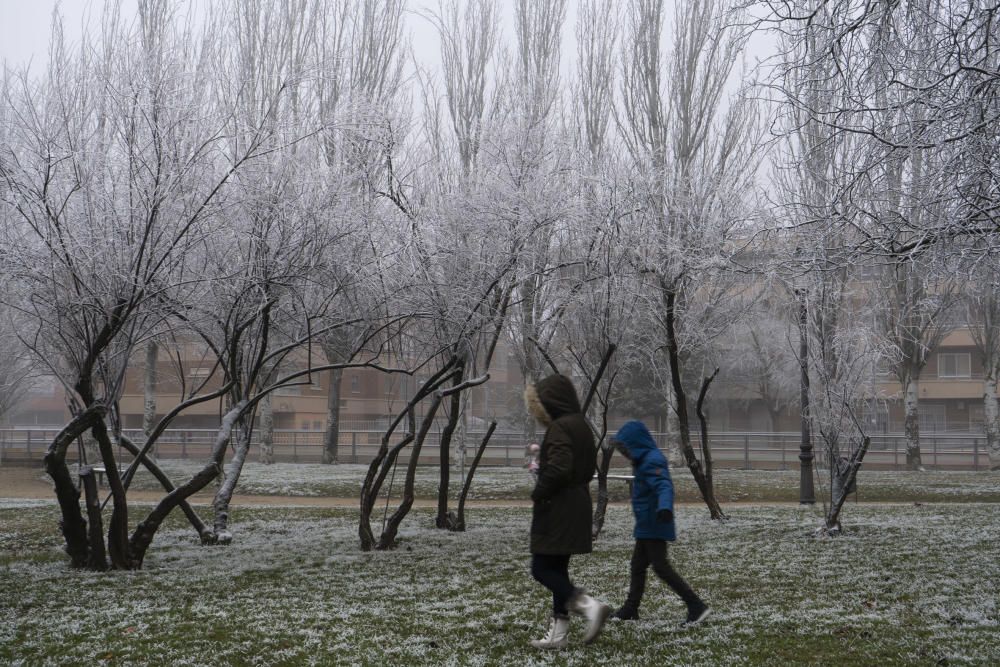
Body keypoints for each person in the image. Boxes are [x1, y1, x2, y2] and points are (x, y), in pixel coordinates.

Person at [524, 373, 612, 649]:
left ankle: (589, 606)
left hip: (559, 507)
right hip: (577, 502)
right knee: (557, 569)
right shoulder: (580, 425)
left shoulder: (561, 427)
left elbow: (560, 468)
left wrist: (539, 491)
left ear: (551, 401)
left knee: (541, 569)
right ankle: (558, 636)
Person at [610, 420, 710, 627]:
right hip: (646, 524)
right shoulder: (642, 460)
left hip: (655, 522)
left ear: (635, 444)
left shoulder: (652, 460)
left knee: (661, 567)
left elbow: (664, 485)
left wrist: (665, 508)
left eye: (625, 449)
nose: (624, 453)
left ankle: (696, 606)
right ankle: (631, 608)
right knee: (638, 565)